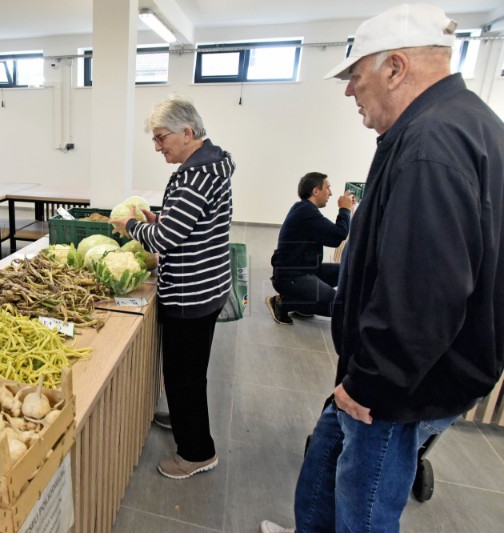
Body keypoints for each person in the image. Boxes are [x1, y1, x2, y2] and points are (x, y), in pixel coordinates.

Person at [261, 4, 504, 533]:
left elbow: (427, 291)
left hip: (397, 390)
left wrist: (370, 383)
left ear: (395, 68)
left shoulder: (431, 143)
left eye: (355, 75)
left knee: (363, 509)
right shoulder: (467, 123)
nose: (349, 91)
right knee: (326, 460)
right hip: (401, 374)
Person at [110, 95, 234, 480]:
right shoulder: (211, 164)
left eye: (161, 137)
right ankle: (182, 416)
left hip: (191, 292)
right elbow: (187, 223)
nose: (157, 145)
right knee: (187, 370)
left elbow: (164, 240)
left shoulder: (195, 174)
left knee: (185, 374)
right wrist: (162, 217)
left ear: (187, 132)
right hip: (207, 284)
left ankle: (197, 451)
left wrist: (130, 226)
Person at [266, 172, 353, 325]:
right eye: (328, 188)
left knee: (347, 270)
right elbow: (338, 235)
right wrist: (344, 209)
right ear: (316, 191)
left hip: (306, 270)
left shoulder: (304, 209)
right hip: (291, 277)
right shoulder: (307, 213)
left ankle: (303, 301)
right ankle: (283, 302)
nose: (331, 193)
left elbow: (333, 237)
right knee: (341, 308)